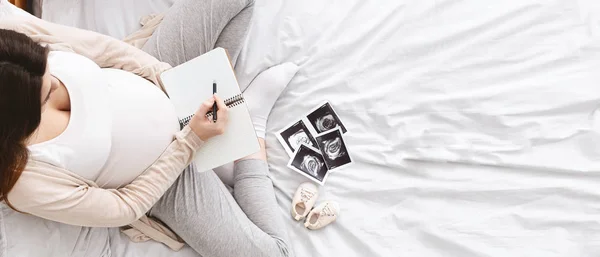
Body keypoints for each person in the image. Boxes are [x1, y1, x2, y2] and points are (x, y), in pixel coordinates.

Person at [0, 0, 300, 256]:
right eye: (46, 94)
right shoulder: (24, 181)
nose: (54, 82)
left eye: (50, 71)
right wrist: (190, 142)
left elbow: (106, 50)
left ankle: (225, 104)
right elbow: (124, 207)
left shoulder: (15, 50)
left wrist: (173, 80)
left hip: (159, 77)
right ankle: (253, 128)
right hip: (165, 180)